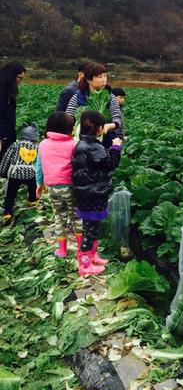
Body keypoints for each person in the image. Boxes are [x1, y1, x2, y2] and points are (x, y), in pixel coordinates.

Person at [72, 110, 122, 276]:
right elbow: (111, 164)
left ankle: (93, 256)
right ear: (100, 129)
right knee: (89, 230)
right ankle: (84, 265)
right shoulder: (94, 147)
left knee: (93, 228)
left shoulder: (80, 144)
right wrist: (115, 146)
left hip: (86, 193)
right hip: (93, 193)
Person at [35, 111, 83, 258]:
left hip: (52, 187)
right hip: (71, 187)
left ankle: (62, 250)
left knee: (59, 218)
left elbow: (39, 167)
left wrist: (39, 185)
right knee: (76, 218)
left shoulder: (43, 144)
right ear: (70, 128)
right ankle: (81, 249)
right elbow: (80, 166)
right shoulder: (75, 144)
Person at [65, 63, 123, 147]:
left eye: (105, 76)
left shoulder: (110, 97)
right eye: (99, 77)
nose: (104, 80)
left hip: (106, 140)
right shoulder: (78, 97)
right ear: (88, 80)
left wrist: (107, 126)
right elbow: (68, 117)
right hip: (81, 140)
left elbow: (118, 119)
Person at [0, 122, 39, 223]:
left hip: (15, 173)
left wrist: (2, 172)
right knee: (32, 190)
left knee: (10, 195)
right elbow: (40, 163)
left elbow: (6, 158)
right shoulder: (37, 147)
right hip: (31, 173)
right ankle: (32, 205)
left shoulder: (16, 145)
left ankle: (7, 214)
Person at [0, 62, 26, 162]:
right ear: (12, 75)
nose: (20, 81)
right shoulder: (2, 88)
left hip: (7, 131)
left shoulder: (8, 88)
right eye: (19, 77)